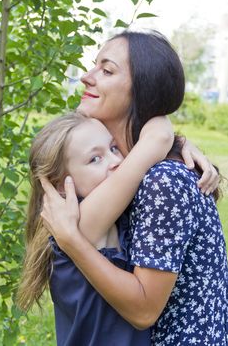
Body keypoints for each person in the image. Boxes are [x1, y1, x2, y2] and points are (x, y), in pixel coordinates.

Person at [40, 30, 228, 345]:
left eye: (107, 70)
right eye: (94, 66)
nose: (87, 77)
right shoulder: (126, 169)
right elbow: (86, 224)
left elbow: (143, 311)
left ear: (141, 91)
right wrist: (167, 138)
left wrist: (71, 240)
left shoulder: (163, 181)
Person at [17, 111, 176, 345]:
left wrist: (181, 146)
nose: (117, 162)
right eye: (95, 159)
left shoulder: (115, 216)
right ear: (62, 185)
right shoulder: (81, 225)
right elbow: (160, 135)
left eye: (113, 148)